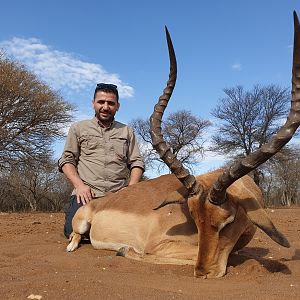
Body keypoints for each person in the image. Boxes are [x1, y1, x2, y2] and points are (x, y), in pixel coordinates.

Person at [58, 83, 144, 238]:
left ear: (117, 106)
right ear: (93, 104)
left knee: (136, 231)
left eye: (111, 103)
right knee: (73, 230)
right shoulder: (78, 128)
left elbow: (137, 162)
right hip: (87, 194)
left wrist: (131, 190)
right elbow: (66, 160)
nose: (105, 107)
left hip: (118, 196)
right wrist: (79, 186)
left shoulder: (127, 131)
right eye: (101, 102)